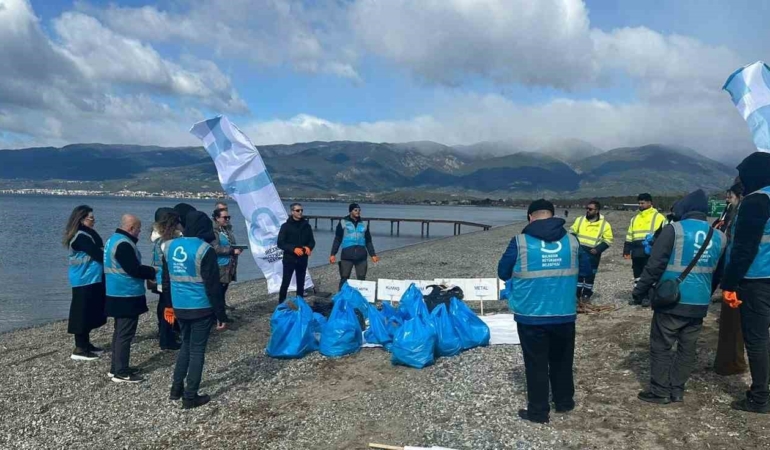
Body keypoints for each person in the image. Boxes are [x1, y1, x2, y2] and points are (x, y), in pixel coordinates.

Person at [633, 190, 725, 404]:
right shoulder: (720, 236)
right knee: (687, 348)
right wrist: (707, 294)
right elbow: (719, 273)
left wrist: (639, 291)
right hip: (699, 302)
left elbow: (654, 265)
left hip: (672, 299)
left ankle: (659, 390)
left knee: (661, 345)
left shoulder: (674, 230)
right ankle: (677, 389)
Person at [498, 199, 579, 424]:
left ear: (529, 218)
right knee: (563, 359)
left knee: (536, 363)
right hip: (564, 312)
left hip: (531, 315)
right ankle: (564, 402)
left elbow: (503, 271)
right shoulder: (572, 241)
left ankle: (538, 411)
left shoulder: (520, 242)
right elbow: (586, 268)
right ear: (552, 216)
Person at [164, 211, 229, 409]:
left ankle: (176, 389)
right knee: (197, 350)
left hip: (179, 305)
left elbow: (166, 280)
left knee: (185, 345)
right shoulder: (204, 250)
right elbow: (213, 286)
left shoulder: (170, 246)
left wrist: (168, 305)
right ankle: (190, 396)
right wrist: (221, 314)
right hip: (200, 306)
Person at [721, 152, 770, 414]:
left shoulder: (757, 201)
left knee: (758, 340)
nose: (739, 179)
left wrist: (729, 283)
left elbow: (744, 248)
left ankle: (760, 397)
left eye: (742, 174)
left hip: (757, 280)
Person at [104, 214, 156, 383]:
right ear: (131, 228)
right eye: (138, 229)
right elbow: (133, 269)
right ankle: (121, 371)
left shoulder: (113, 239)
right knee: (125, 333)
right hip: (125, 293)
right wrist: (152, 272)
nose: (139, 233)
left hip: (115, 291)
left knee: (120, 332)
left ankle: (116, 367)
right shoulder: (124, 244)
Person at [63, 205, 107, 361]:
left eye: (93, 217)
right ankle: (80, 347)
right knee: (81, 312)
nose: (94, 220)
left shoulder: (89, 234)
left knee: (89, 310)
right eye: (91, 218)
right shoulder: (80, 236)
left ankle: (87, 344)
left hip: (92, 278)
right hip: (83, 279)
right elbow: (98, 254)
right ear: (81, 219)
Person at [713, 183, 748, 376]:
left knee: (732, 323)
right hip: (749, 275)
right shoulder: (731, 215)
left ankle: (731, 364)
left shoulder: (740, 216)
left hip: (739, 276)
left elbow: (736, 249)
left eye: (731, 196)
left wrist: (727, 281)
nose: (728, 200)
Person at [624, 193, 666, 307]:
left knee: (649, 274)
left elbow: (663, 235)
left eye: (642, 203)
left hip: (650, 251)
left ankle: (648, 297)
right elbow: (629, 235)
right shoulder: (635, 218)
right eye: (639, 203)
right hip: (637, 251)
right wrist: (627, 250)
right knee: (637, 275)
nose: (640, 205)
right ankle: (638, 296)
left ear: (650, 203)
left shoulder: (659, 217)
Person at [570, 200, 614, 305]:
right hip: (579, 251)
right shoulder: (580, 220)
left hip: (593, 253)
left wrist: (598, 249)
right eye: (587, 208)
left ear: (597, 210)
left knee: (590, 275)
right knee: (578, 274)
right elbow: (572, 232)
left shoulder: (604, 224)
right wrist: (576, 244)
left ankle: (586, 295)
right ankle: (576, 294)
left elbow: (608, 240)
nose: (588, 211)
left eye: (590, 209)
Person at [150, 208, 182, 351]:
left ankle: (166, 335)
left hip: (160, 279)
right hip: (166, 280)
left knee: (163, 307)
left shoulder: (159, 240)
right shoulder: (168, 242)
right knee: (168, 309)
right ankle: (166, 339)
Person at [329, 203, 379, 290]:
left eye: (359, 210)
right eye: (355, 210)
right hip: (347, 256)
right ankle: (342, 298)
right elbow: (337, 239)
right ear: (350, 211)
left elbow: (368, 241)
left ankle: (360, 298)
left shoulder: (364, 223)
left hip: (361, 256)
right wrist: (333, 254)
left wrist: (373, 255)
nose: (358, 212)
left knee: (361, 278)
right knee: (344, 277)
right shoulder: (343, 222)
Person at [277, 203, 315, 302]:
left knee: (301, 283)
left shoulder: (306, 226)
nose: (300, 212)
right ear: (292, 212)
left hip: (302, 258)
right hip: (289, 258)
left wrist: (309, 247)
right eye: (298, 210)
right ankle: (281, 303)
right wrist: (293, 249)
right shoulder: (285, 226)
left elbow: (312, 241)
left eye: (301, 210)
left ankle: (300, 303)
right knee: (286, 282)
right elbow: (280, 243)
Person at [211, 208, 241, 311]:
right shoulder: (214, 231)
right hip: (220, 264)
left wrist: (237, 248)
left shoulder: (226, 229)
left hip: (229, 263)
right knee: (219, 288)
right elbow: (215, 248)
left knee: (224, 287)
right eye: (225, 217)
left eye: (228, 217)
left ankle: (222, 306)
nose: (227, 219)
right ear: (217, 218)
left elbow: (230, 244)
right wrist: (232, 251)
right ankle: (218, 311)